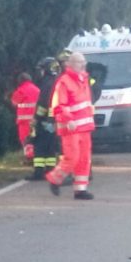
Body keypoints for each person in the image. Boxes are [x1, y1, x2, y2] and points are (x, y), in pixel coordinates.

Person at [46, 52, 95, 199]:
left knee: (84, 159)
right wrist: (68, 120)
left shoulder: (83, 80)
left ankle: (80, 190)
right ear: (70, 64)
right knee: (72, 157)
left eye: (84, 62)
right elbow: (60, 105)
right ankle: (54, 179)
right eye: (79, 62)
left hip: (85, 128)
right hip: (71, 128)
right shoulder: (64, 82)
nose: (83, 64)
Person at [28, 57, 61, 180]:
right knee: (50, 146)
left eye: (41, 70)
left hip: (45, 120)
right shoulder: (57, 82)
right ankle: (50, 170)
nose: (39, 73)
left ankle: (38, 173)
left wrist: (36, 118)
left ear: (47, 70)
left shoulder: (47, 84)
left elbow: (43, 104)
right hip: (55, 120)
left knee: (40, 146)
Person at [11, 72, 40, 164]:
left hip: (24, 121)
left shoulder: (21, 90)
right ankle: (36, 157)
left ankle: (29, 158)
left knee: (25, 139)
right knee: (34, 138)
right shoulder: (37, 90)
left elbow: (14, 102)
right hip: (35, 120)